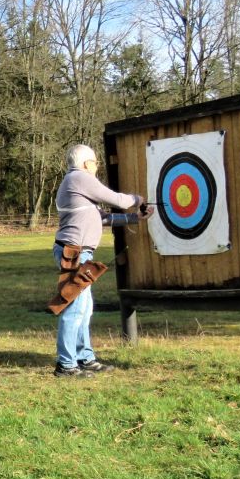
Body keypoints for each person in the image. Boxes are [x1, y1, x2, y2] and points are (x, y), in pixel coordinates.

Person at [52, 144, 152, 378]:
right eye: (95, 162)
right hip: (74, 253)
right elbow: (117, 199)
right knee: (75, 309)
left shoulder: (76, 182)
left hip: (78, 253)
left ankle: (85, 358)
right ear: (87, 163)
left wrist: (134, 218)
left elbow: (103, 218)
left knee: (84, 309)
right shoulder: (79, 177)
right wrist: (138, 199)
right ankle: (66, 365)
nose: (97, 166)